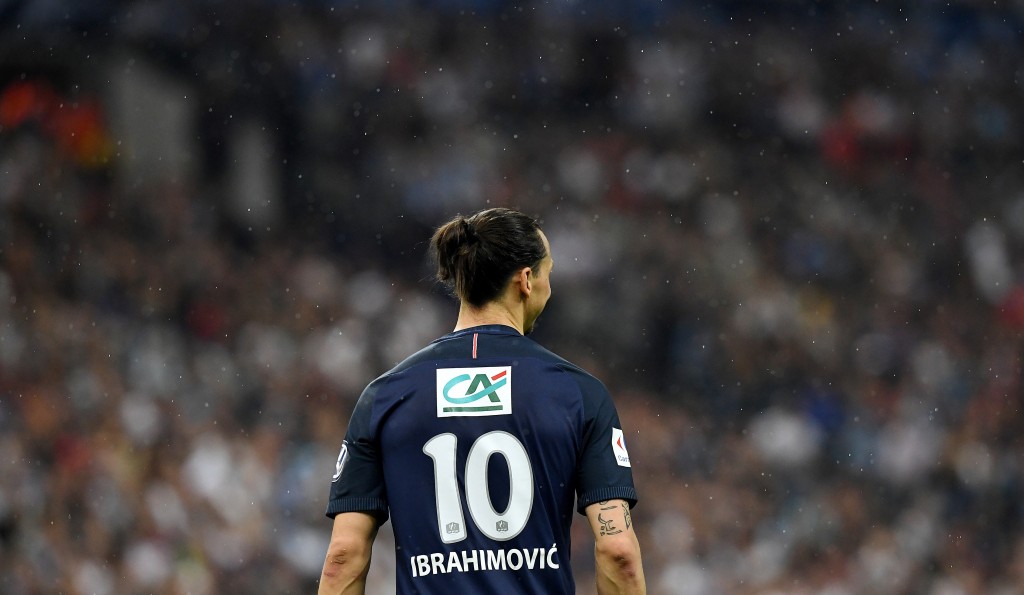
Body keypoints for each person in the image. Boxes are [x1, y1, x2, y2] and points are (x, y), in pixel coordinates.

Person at [319, 207, 646, 594]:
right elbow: (618, 551)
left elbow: (344, 554)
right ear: (526, 280)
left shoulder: (386, 396)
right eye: (549, 273)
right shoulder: (577, 394)